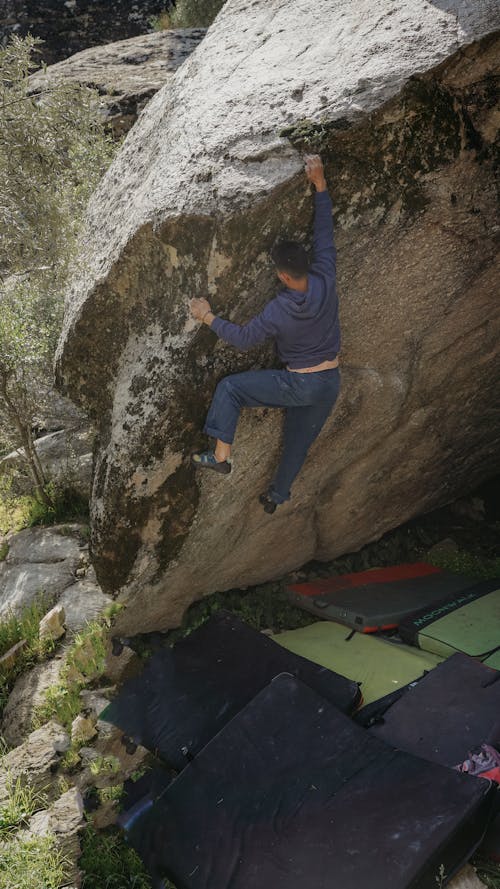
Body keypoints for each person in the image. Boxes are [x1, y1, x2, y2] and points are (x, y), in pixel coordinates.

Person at [189, 154, 341, 514]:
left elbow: (242, 340)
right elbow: (324, 232)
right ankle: (277, 496)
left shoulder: (280, 310)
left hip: (299, 384)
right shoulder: (326, 275)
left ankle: (221, 456)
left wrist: (207, 315)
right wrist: (320, 184)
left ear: (284, 276)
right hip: (329, 381)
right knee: (298, 443)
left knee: (231, 388)